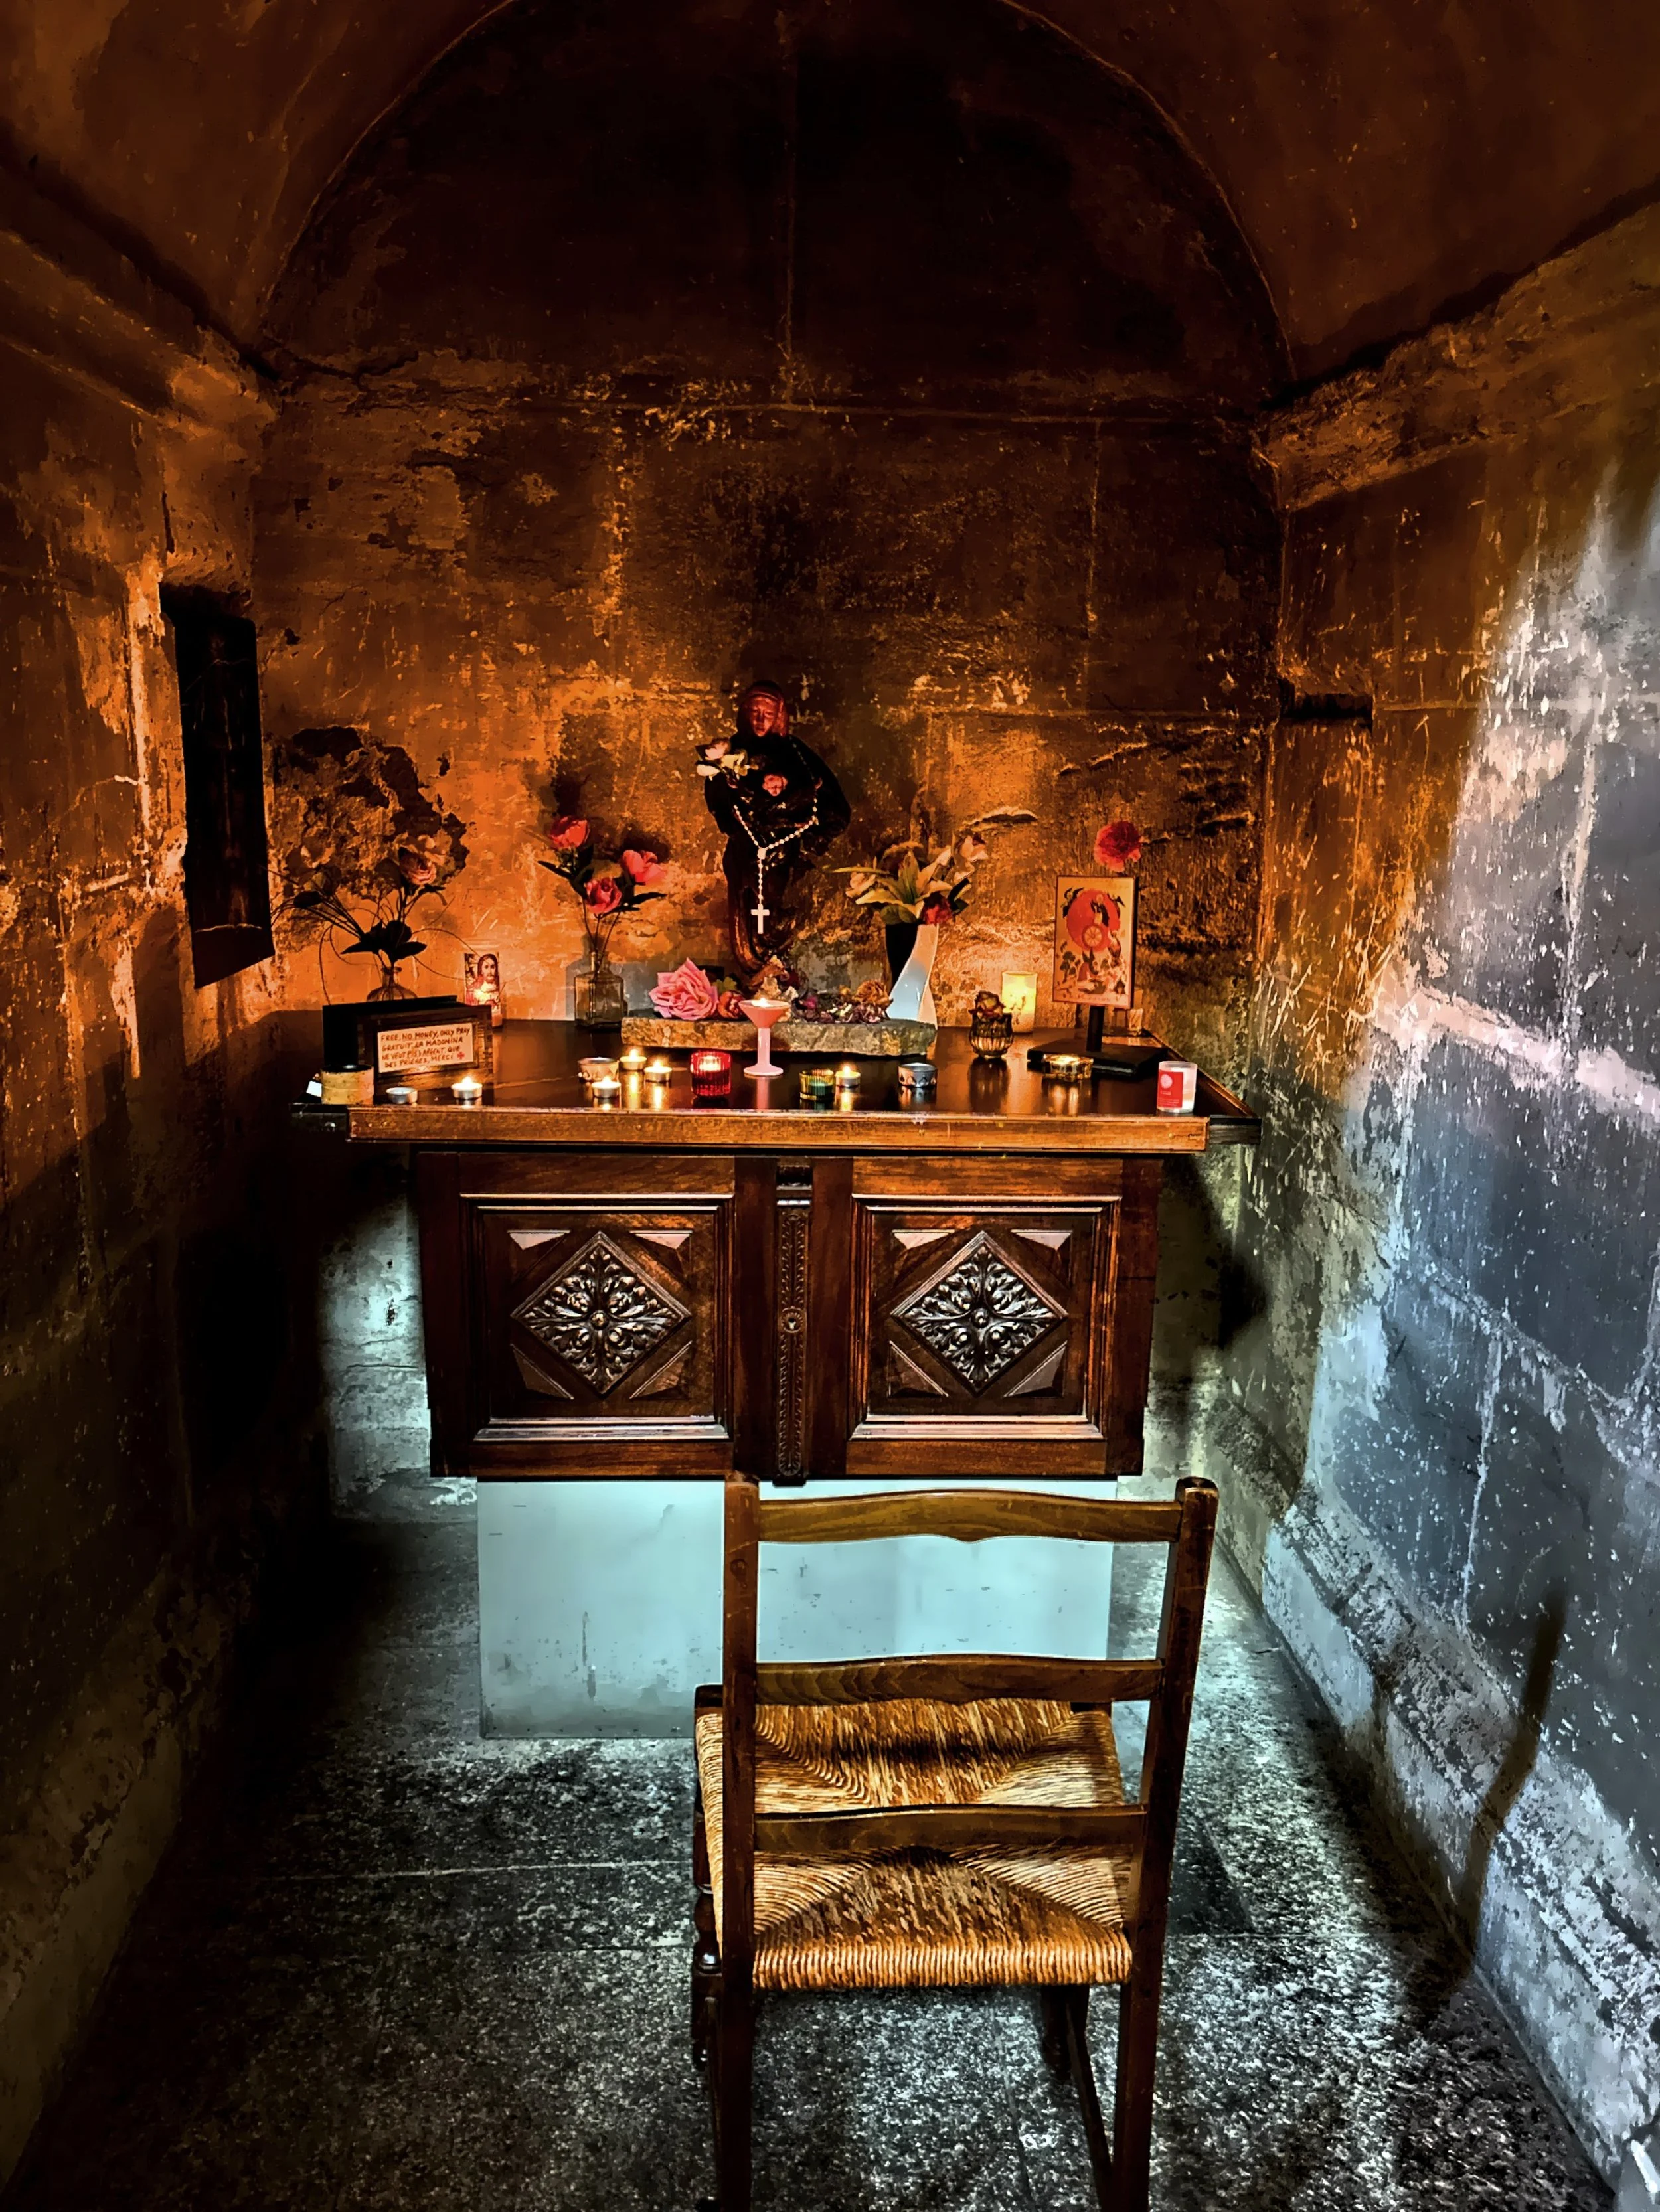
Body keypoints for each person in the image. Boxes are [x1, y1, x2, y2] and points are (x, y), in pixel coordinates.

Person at [696, 683, 849, 978]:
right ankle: (754, 977)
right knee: (745, 923)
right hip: (746, 851)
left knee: (779, 918)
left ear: (779, 716)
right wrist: (731, 785)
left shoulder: (794, 751)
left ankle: (779, 978)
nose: (760, 720)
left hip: (785, 852)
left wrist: (788, 786)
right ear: (744, 714)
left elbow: (824, 792)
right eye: (754, 712)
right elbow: (719, 802)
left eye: (768, 713)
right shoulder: (731, 753)